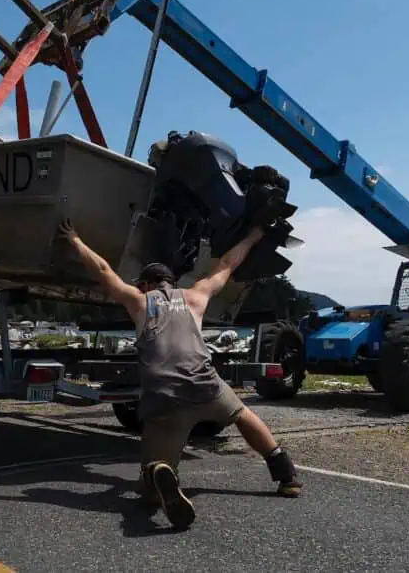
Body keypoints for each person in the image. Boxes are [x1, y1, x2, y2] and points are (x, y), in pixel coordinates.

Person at [58, 218, 303, 530]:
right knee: (242, 414)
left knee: (147, 491)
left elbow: (105, 272)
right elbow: (227, 264)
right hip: (205, 386)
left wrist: (75, 238)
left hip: (165, 399)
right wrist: (254, 235)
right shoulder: (196, 297)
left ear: (145, 285)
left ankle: (159, 473)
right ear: (171, 283)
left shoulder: (139, 302)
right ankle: (285, 473)